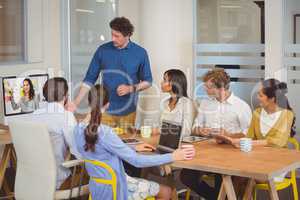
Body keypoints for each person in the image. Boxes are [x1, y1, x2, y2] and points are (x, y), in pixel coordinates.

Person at [74, 84, 195, 200]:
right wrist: (172, 156)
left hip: (97, 188)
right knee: (167, 191)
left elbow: (101, 149)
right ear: (107, 105)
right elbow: (137, 161)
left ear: (89, 102)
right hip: (117, 189)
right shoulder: (106, 132)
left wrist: (133, 148)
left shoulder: (77, 129)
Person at [180, 68, 252, 200]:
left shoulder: (241, 106)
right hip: (208, 152)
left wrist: (229, 135)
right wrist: (200, 130)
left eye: (209, 87)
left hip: (230, 154)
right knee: (186, 176)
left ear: (221, 88)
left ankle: (220, 196)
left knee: (222, 177)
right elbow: (195, 127)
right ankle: (215, 197)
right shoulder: (206, 103)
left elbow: (248, 135)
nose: (205, 90)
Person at [70, 17, 152, 131]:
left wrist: (131, 88)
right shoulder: (102, 50)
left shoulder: (140, 53)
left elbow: (148, 81)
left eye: (117, 36)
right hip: (105, 110)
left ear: (127, 35)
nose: (113, 39)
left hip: (128, 111)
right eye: (112, 34)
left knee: (126, 144)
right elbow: (89, 79)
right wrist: (76, 102)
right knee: (103, 143)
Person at [218, 79, 296, 196]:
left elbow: (279, 142)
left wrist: (251, 143)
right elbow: (249, 137)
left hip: (277, 164)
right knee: (234, 174)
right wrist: (231, 138)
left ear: (272, 98)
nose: (258, 97)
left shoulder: (287, 115)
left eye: (261, 95)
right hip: (256, 160)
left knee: (245, 176)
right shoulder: (257, 113)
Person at [21, 77, 81, 188]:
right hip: (58, 180)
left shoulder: (35, 115)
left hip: (34, 180)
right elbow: (77, 149)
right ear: (66, 95)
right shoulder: (66, 116)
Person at [152, 69, 196, 137]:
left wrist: (160, 130)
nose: (161, 82)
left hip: (180, 144)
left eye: (164, 80)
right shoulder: (164, 103)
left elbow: (186, 131)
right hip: (164, 141)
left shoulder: (187, 103)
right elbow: (159, 125)